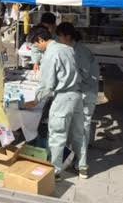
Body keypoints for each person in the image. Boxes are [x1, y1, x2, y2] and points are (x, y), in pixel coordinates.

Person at [24, 25, 84, 178]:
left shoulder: (51, 54)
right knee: (78, 134)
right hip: (77, 95)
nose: (37, 48)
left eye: (36, 45)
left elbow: (47, 85)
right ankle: (82, 166)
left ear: (41, 40)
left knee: (57, 135)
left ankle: (55, 171)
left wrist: (35, 100)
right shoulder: (67, 48)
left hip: (63, 97)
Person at [57, 22, 98, 177]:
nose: (59, 40)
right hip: (82, 93)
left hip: (85, 94)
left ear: (67, 37)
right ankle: (76, 161)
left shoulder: (79, 52)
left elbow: (83, 75)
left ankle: (81, 165)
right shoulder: (74, 49)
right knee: (79, 129)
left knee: (81, 130)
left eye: (60, 37)